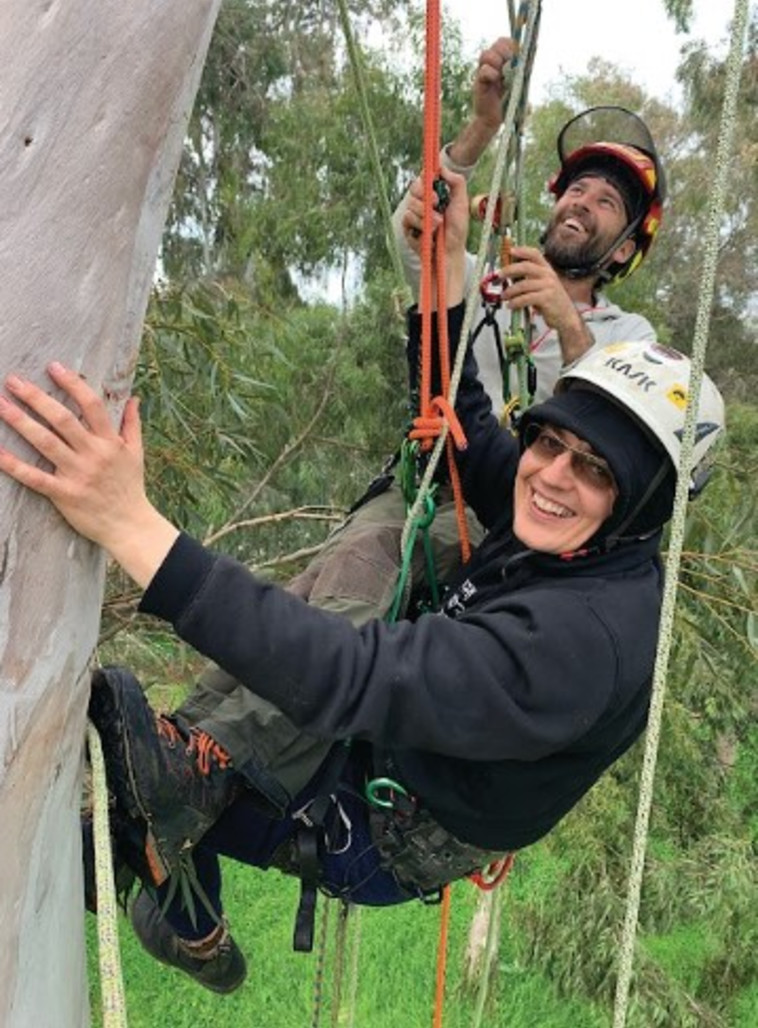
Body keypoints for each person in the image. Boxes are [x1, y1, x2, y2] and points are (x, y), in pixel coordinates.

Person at [0, 167, 724, 994]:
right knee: (162, 761)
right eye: (550, 442)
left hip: (386, 825)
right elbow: (459, 425)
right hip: (401, 747)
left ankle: (175, 859)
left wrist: (131, 523)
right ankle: (186, 903)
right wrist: (444, 267)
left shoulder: (583, 640)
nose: (551, 475)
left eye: (593, 470)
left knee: (145, 763)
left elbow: (354, 678)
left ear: (642, 507)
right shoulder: (567, 523)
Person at [392, 36, 666, 411]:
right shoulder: (483, 286)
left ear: (624, 249)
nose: (582, 202)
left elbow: (615, 422)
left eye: (607, 202)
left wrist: (567, 321)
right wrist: (485, 125)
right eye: (577, 189)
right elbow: (409, 236)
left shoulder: (628, 336)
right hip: (448, 462)